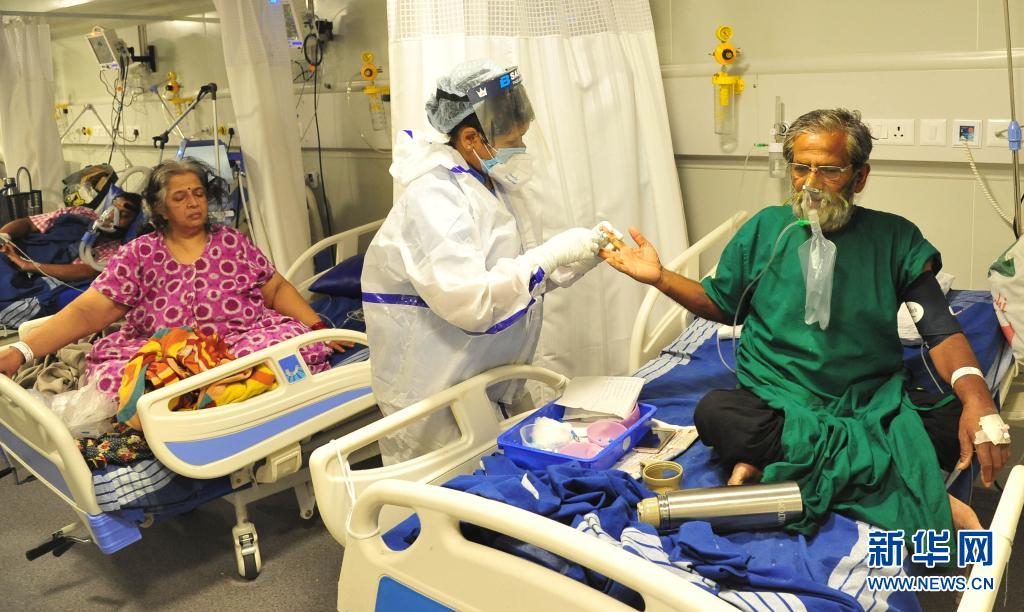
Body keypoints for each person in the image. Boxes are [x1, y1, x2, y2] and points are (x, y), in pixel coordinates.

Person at [600, 108, 1008, 538]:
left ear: (860, 177)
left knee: (953, 424)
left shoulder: (894, 238)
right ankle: (911, 486)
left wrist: (979, 400)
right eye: (800, 168)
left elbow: (940, 330)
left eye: (829, 170)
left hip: (867, 399)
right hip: (778, 396)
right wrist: (660, 277)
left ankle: (784, 467)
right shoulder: (765, 230)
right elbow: (721, 304)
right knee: (717, 415)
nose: (811, 184)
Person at [362, 59, 606, 463]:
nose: (521, 148)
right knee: (440, 492)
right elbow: (473, 302)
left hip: (485, 374)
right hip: (435, 389)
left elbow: (517, 277)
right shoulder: (434, 198)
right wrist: (552, 254)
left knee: (495, 481)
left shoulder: (491, 182)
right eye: (513, 138)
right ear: (471, 137)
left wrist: (581, 256)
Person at [0, 158, 344, 399]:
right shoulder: (139, 254)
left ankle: (211, 395)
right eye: (180, 197)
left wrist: (317, 327)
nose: (193, 203)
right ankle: (213, 394)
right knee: (116, 377)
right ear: (161, 209)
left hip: (239, 341)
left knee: (291, 346)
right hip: (166, 353)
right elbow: (87, 312)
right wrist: (21, 351)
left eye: (198, 194)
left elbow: (276, 288)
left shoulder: (231, 242)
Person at [0, 193, 142, 282]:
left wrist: (27, 265)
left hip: (30, 275)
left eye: (123, 215)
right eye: (113, 207)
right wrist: (3, 236)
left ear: (133, 224)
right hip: (10, 251)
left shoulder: (116, 252)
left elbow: (86, 271)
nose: (111, 215)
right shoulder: (81, 212)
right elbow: (28, 223)